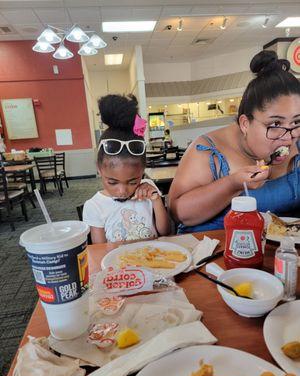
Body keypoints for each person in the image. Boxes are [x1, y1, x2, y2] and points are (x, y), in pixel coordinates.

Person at [169, 50, 300, 233]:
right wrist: (233, 184)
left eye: (296, 122)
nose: (288, 137)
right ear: (245, 123)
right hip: (218, 255)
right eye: (275, 123)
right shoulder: (207, 149)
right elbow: (179, 213)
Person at [83, 94, 170, 243]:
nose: (123, 191)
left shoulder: (150, 191)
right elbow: (100, 250)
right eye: (112, 182)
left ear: (142, 171)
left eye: (132, 182)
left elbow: (166, 232)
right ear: (99, 169)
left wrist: (156, 200)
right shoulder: (94, 206)